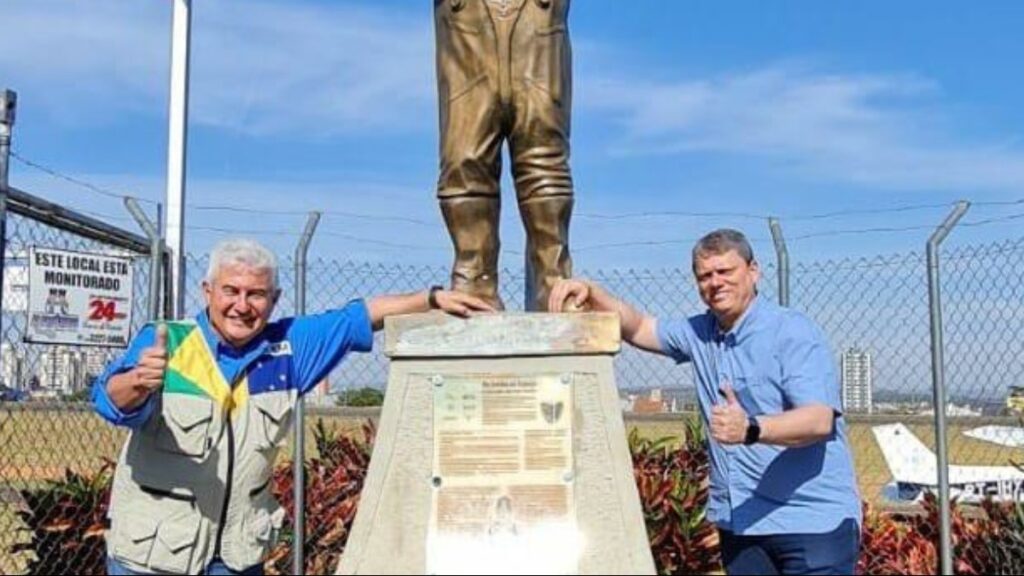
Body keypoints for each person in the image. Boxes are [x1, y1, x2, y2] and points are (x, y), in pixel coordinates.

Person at [93, 238, 492, 575]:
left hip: (235, 554)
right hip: (153, 557)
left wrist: (432, 297)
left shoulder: (289, 349)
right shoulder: (166, 341)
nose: (242, 305)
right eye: (231, 291)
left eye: (256, 294)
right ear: (207, 291)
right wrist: (137, 383)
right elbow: (111, 404)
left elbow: (359, 316)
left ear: (274, 299)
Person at [549, 229, 861, 575]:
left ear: (753, 271)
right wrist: (593, 292)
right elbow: (638, 327)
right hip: (742, 524)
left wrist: (752, 428)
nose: (715, 283)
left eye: (725, 272)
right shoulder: (699, 333)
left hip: (809, 524)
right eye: (705, 276)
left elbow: (818, 421)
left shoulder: (792, 332)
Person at [435, 0, 574, 311]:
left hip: (538, 21)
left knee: (544, 157)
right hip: (465, 24)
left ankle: (552, 278)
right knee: (464, 158)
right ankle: (474, 279)